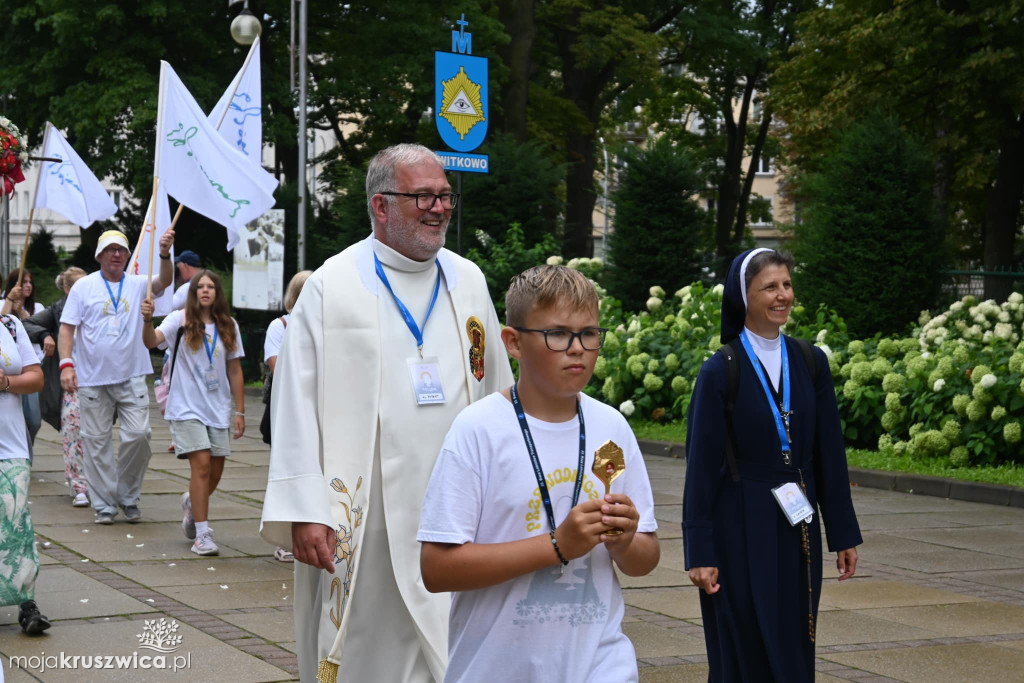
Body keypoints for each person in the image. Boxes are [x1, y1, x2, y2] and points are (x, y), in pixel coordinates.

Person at [259, 143, 514, 683]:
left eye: (445, 196)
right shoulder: (332, 285)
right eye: (423, 197)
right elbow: (295, 402)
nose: (440, 208)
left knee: (456, 645)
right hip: (364, 513)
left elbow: (499, 389)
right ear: (381, 205)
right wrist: (305, 507)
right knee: (369, 653)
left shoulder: (467, 280)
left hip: (458, 505)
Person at [418, 265, 660, 682]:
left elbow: (645, 559)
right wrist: (557, 545)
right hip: (498, 667)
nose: (578, 348)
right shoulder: (479, 430)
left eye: (589, 333)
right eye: (558, 334)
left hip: (599, 664)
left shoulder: (612, 428)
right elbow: (437, 569)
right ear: (513, 342)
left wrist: (624, 541)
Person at [683, 248, 862, 682]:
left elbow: (829, 455)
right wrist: (700, 552)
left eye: (786, 285)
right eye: (769, 287)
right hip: (739, 523)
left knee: (796, 635)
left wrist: (841, 534)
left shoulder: (810, 361)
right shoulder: (721, 369)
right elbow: (701, 470)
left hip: (796, 522)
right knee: (743, 639)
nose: (782, 295)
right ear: (743, 297)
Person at [59, 229, 175, 524]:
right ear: (99, 255)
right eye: (110, 250)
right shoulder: (84, 287)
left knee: (139, 435)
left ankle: (126, 494)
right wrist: (66, 364)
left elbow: (165, 281)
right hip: (92, 379)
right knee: (96, 442)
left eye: (121, 250)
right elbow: (67, 329)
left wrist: (164, 253)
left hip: (132, 374)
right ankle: (104, 505)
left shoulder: (138, 284)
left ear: (127, 255)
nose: (116, 254)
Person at [141, 270, 245, 556]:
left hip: (218, 407)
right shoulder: (179, 319)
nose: (206, 291)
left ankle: (191, 503)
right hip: (186, 407)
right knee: (200, 465)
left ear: (217, 293)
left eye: (211, 286)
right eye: (200, 286)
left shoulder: (228, 325)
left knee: (215, 470)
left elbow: (235, 370)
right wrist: (147, 320)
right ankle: (202, 535)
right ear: (193, 292)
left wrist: (240, 411)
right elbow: (151, 342)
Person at [0, 310, 51, 634]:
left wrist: (6, 381)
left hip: (11, 446)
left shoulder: (9, 325)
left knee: (16, 522)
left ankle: (26, 604)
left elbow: (36, 378)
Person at [22, 267, 90, 507]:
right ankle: (78, 485)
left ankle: (99, 484)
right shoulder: (57, 310)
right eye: (79, 285)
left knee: (96, 436)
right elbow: (26, 324)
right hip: (70, 381)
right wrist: (44, 335)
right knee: (73, 431)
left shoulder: (98, 305)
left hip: (99, 378)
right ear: (67, 288)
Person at [260, 269, 312, 562]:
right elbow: (277, 366)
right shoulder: (280, 326)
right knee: (286, 471)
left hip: (317, 408)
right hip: (287, 410)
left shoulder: (327, 324)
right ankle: (284, 537)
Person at [2, 268, 45, 457]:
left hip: (29, 365)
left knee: (33, 419)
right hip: (10, 364)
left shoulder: (39, 307)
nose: (27, 285)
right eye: (23, 282)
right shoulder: (5, 305)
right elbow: (2, 320)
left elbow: (36, 327)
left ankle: (27, 449)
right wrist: (10, 301)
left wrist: (21, 312)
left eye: (30, 282)